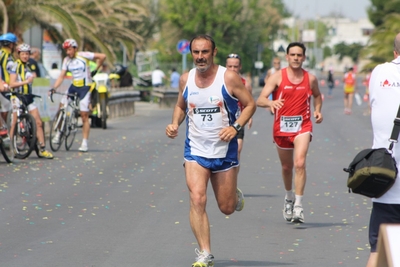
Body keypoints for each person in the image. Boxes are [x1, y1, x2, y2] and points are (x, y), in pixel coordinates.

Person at [165, 34, 255, 267]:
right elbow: (180, 106)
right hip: (195, 149)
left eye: (205, 52)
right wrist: (175, 123)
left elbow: (251, 104)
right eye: (196, 52)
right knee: (197, 198)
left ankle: (234, 195)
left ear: (214, 52)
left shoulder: (229, 78)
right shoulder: (186, 79)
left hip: (224, 150)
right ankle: (205, 253)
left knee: (226, 208)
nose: (200, 57)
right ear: (191, 53)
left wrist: (235, 127)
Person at [256, 42, 323, 223]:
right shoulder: (277, 77)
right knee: (287, 167)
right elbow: (260, 99)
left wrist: (317, 110)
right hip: (282, 128)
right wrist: (271, 103)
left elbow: (317, 95)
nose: (295, 58)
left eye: (299, 55)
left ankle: (299, 206)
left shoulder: (310, 79)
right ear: (287, 57)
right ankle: (289, 198)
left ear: (304, 57)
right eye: (292, 55)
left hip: (303, 126)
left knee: (300, 163)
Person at [365, 33, 400, 267]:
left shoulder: (379, 72)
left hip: (388, 179)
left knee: (380, 252)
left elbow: (374, 104)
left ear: (395, 52)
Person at [49, 39, 106, 152]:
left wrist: (96, 69)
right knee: (62, 106)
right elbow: (61, 76)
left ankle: (84, 143)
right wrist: (54, 88)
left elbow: (103, 56)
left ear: (75, 48)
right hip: (74, 86)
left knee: (84, 115)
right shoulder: (66, 60)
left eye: (70, 49)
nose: (68, 52)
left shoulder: (84, 55)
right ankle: (59, 133)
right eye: (66, 50)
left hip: (85, 88)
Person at [8, 44, 53, 159]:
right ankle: (12, 148)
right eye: (23, 54)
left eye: (27, 54)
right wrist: (26, 82)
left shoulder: (28, 66)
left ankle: (42, 148)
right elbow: (12, 84)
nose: (25, 56)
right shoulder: (15, 66)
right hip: (17, 96)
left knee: (38, 122)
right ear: (18, 55)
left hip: (29, 97)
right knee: (14, 122)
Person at [225, 53, 253, 173]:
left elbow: (249, 103)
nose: (232, 69)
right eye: (229, 66)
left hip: (238, 120)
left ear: (240, 67)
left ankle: (233, 184)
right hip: (223, 120)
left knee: (237, 150)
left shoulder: (245, 83)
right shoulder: (220, 81)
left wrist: (249, 117)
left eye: (235, 66)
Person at [0, 33, 17, 126]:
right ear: (11, 45)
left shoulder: (6, 55)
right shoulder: (7, 56)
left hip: (6, 86)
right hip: (5, 86)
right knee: (5, 110)